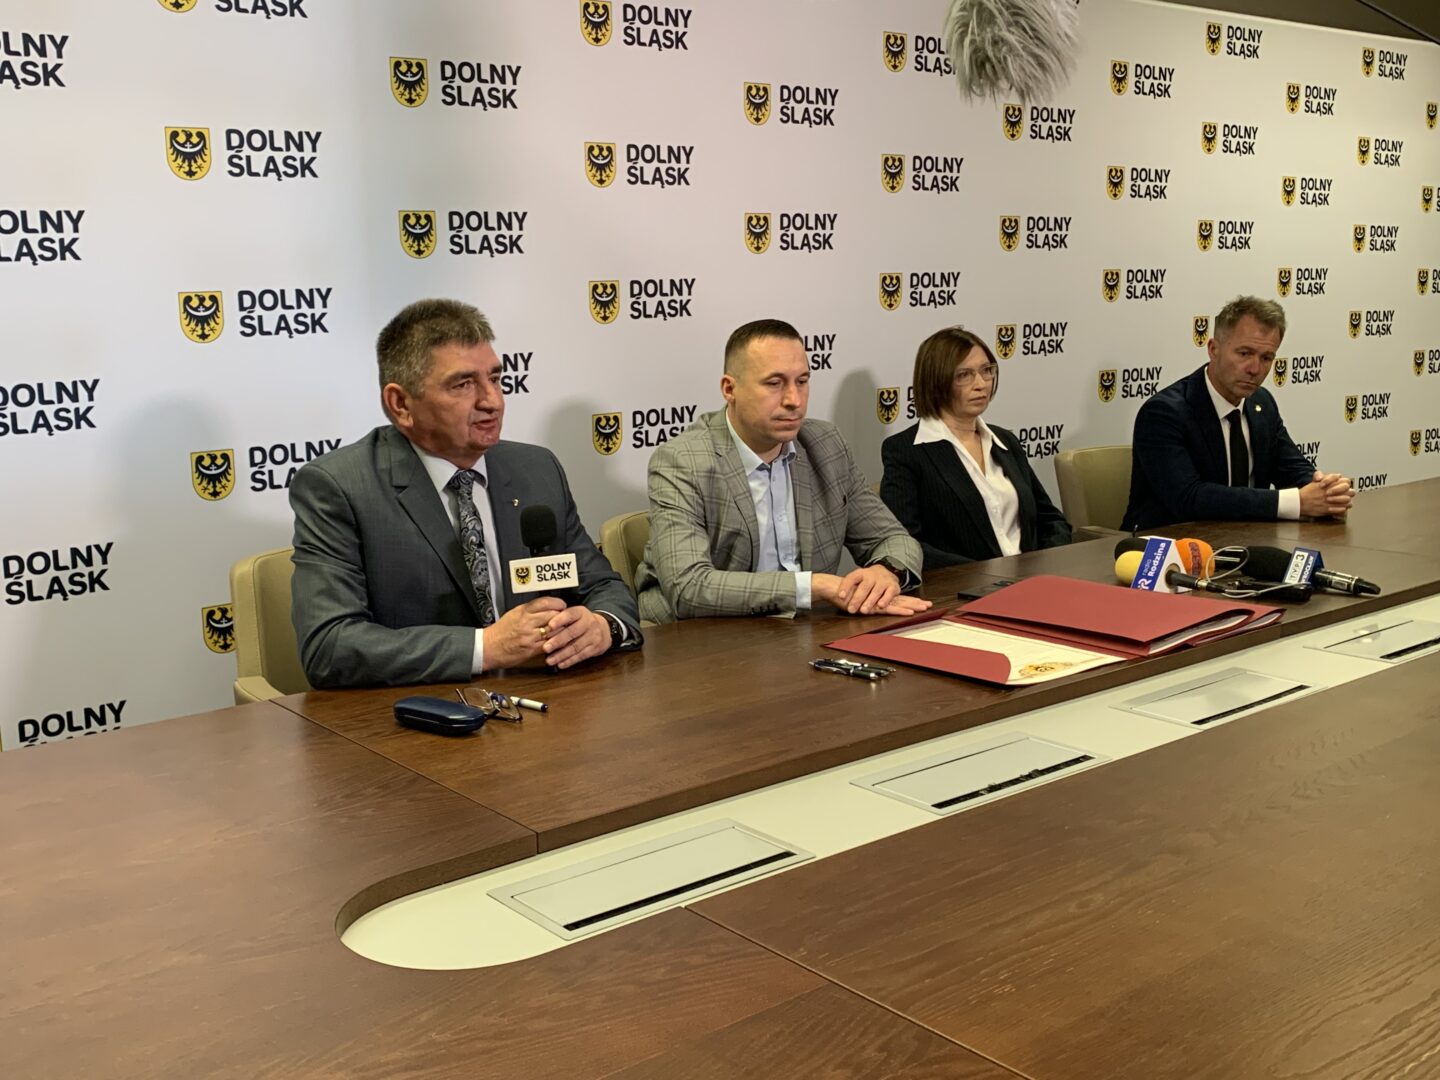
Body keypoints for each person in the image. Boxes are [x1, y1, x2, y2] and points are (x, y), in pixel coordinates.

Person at [289, 298, 641, 688]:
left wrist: (602, 625)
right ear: (401, 404)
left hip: (546, 698)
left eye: (495, 378)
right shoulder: (340, 487)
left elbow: (604, 586)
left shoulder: (536, 469)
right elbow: (329, 646)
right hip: (423, 711)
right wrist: (485, 647)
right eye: (463, 384)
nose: (492, 401)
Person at [634, 319, 930, 623]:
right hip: (702, 635)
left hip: (802, 631)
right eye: (774, 383)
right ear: (729, 389)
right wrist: (811, 587)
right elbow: (688, 587)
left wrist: (886, 572)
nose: (794, 400)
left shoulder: (826, 445)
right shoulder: (683, 461)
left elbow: (894, 539)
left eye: (802, 381)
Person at [1122, 295, 1352, 532]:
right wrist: (1296, 502)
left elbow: (1292, 469)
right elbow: (1189, 498)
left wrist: (1326, 492)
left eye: (1266, 358)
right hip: (1167, 544)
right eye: (1244, 353)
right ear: (1213, 350)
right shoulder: (1164, 413)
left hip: (1245, 541)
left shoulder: (1262, 403)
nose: (1255, 369)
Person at [880, 326, 1071, 568]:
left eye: (986, 371)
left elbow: (1051, 520)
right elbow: (905, 544)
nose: (981, 384)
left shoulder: (1005, 440)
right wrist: (983, 574)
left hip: (1032, 578)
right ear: (936, 381)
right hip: (966, 584)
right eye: (964, 375)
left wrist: (1045, 564)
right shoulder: (906, 451)